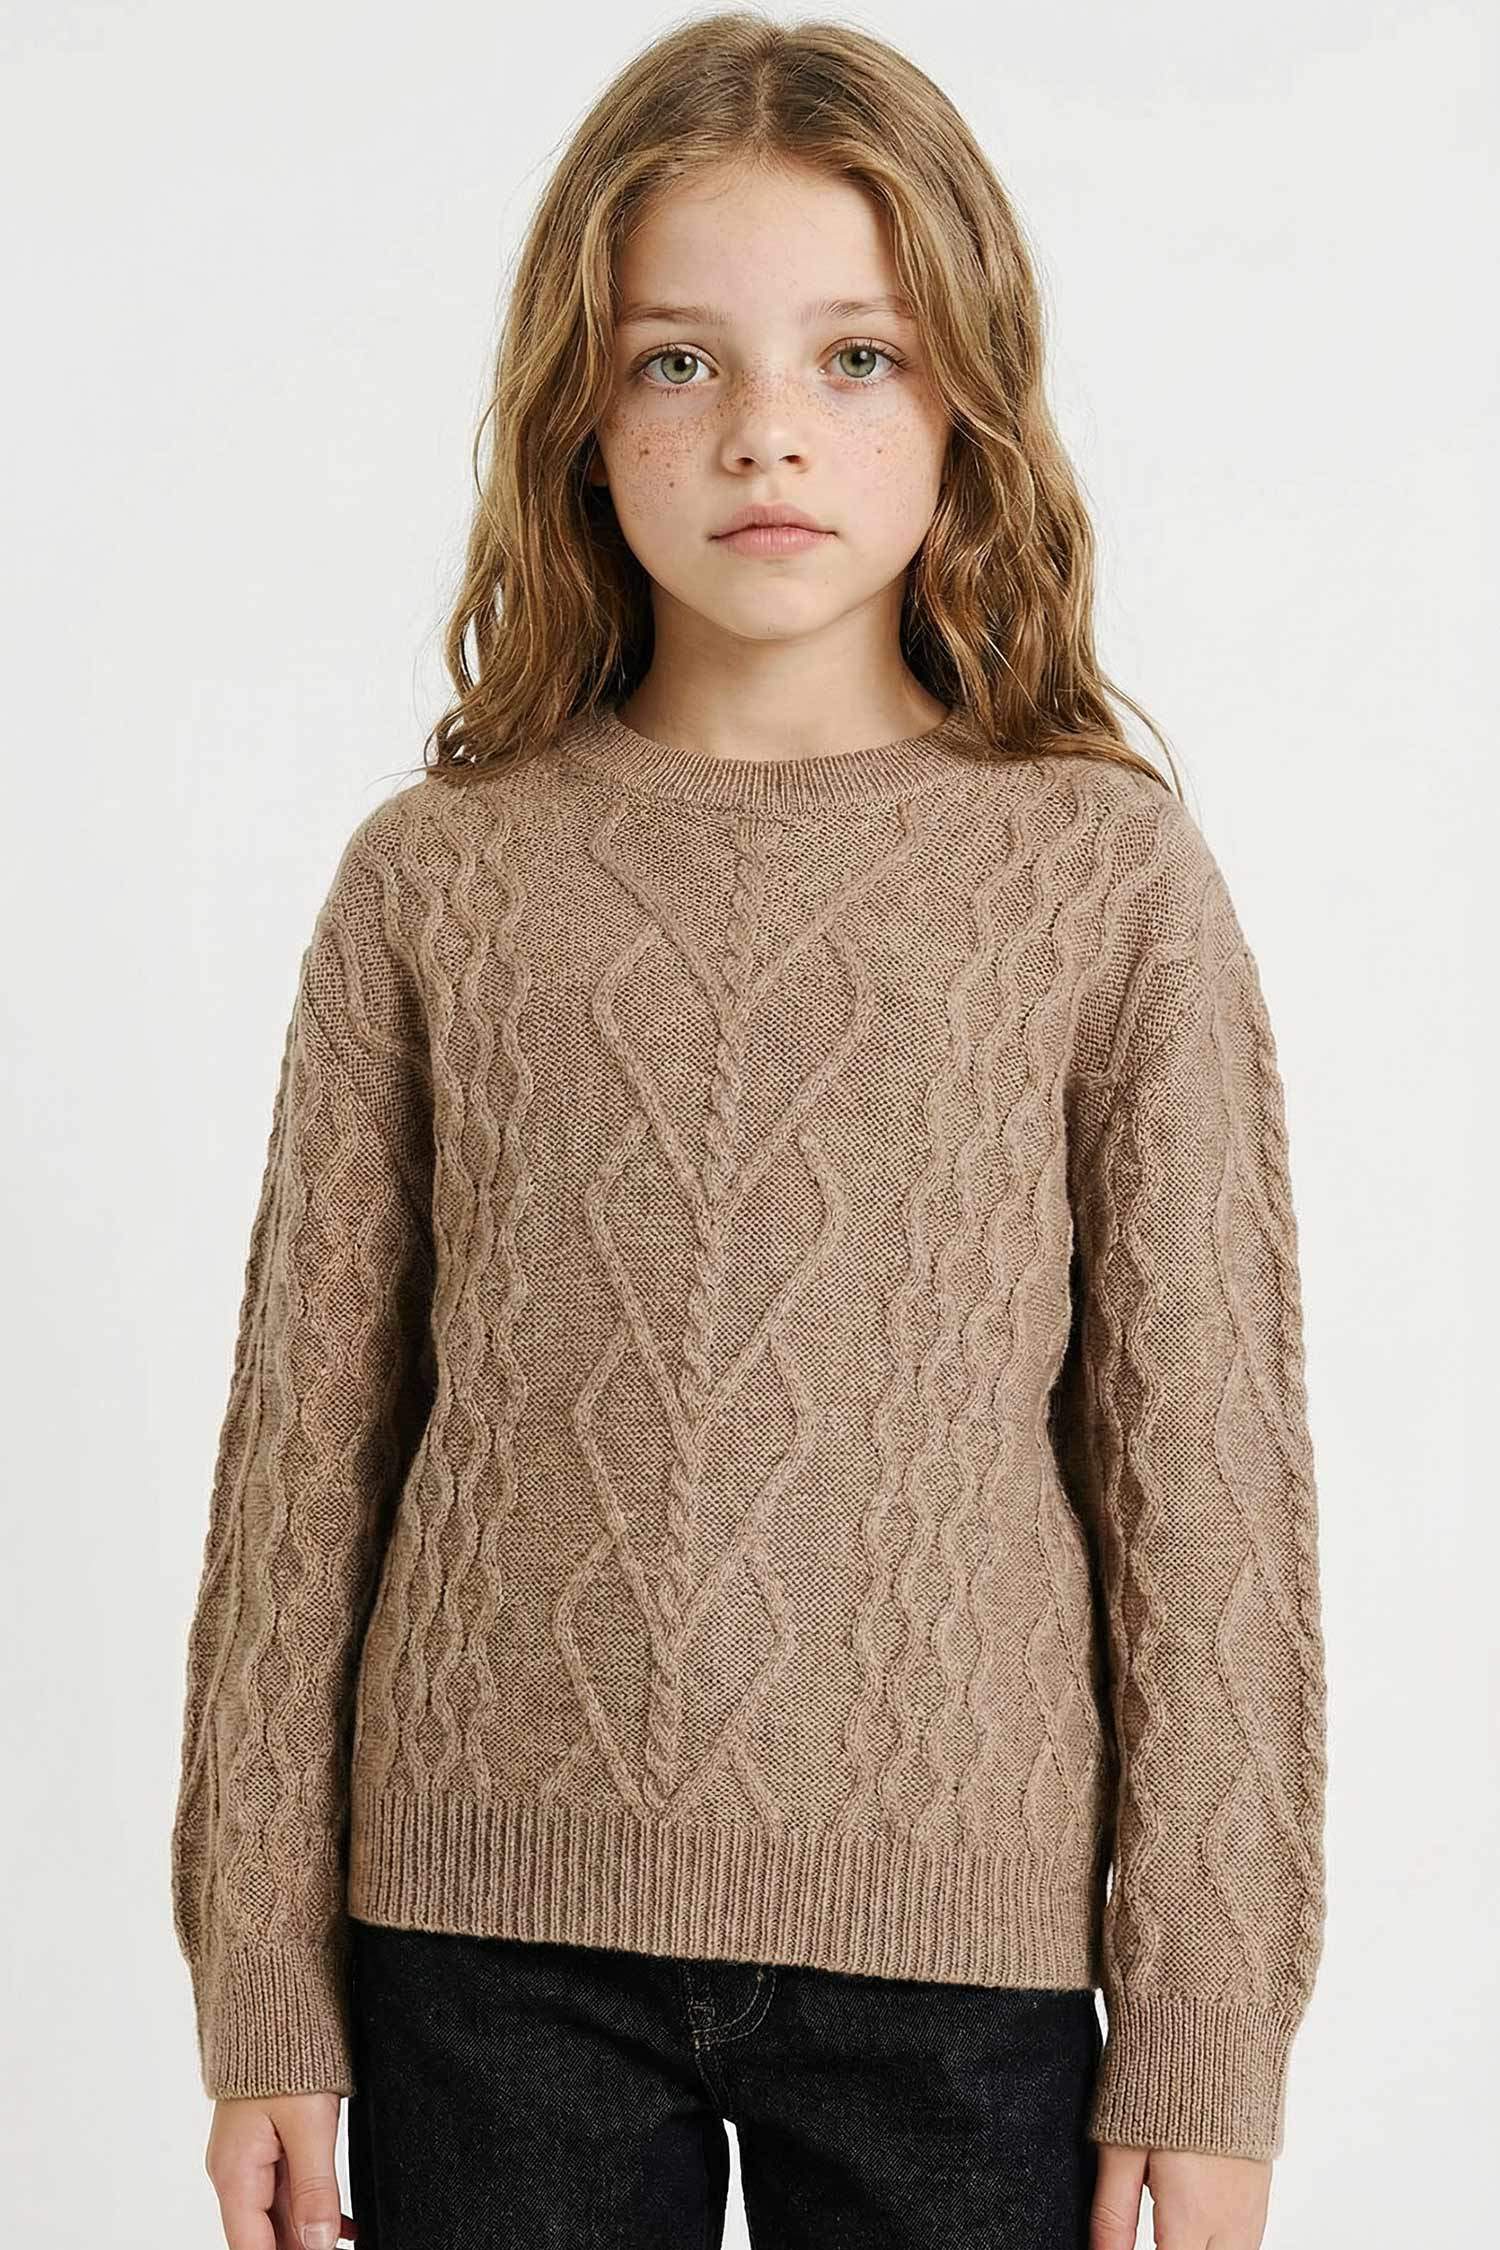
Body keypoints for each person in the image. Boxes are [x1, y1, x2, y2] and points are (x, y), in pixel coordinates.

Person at [169, 13, 1329, 2249]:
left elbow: (1205, 1498)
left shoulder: (1100, 879)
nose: (766, 429)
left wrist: (1207, 2037)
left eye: (858, 356)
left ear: (969, 402)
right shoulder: (440, 878)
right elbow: (301, 1461)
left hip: (960, 1962)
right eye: (677, 361)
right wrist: (259, 1990)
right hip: (480, 1943)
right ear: (578, 417)